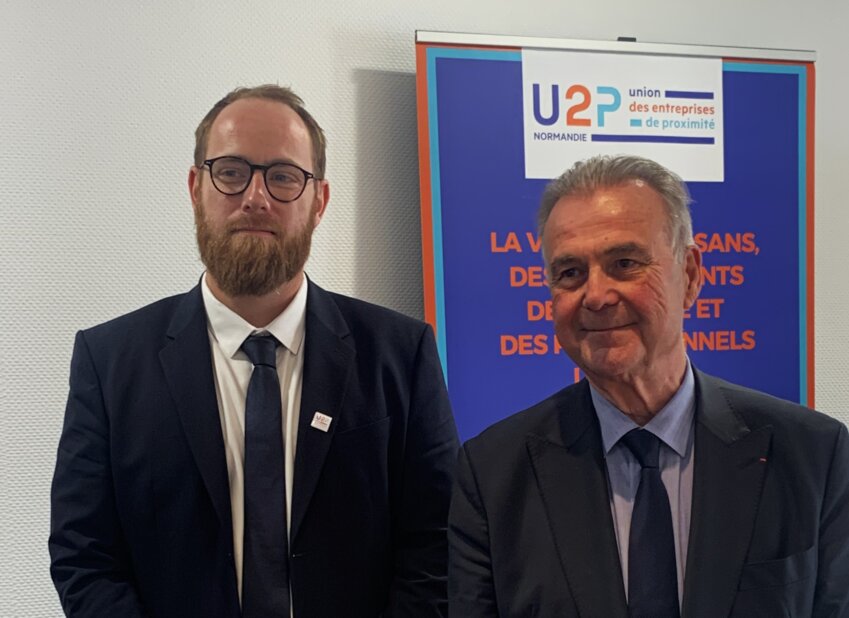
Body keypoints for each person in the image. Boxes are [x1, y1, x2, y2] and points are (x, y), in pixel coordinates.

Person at [49, 84, 459, 618]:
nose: (255, 197)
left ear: (320, 202)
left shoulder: (401, 356)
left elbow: (438, 548)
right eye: (231, 171)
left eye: (284, 176)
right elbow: (85, 556)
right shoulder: (109, 362)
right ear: (196, 187)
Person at [448, 155, 849, 617]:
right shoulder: (494, 474)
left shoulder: (811, 455)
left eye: (624, 263)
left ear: (692, 275)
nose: (596, 296)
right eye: (570, 273)